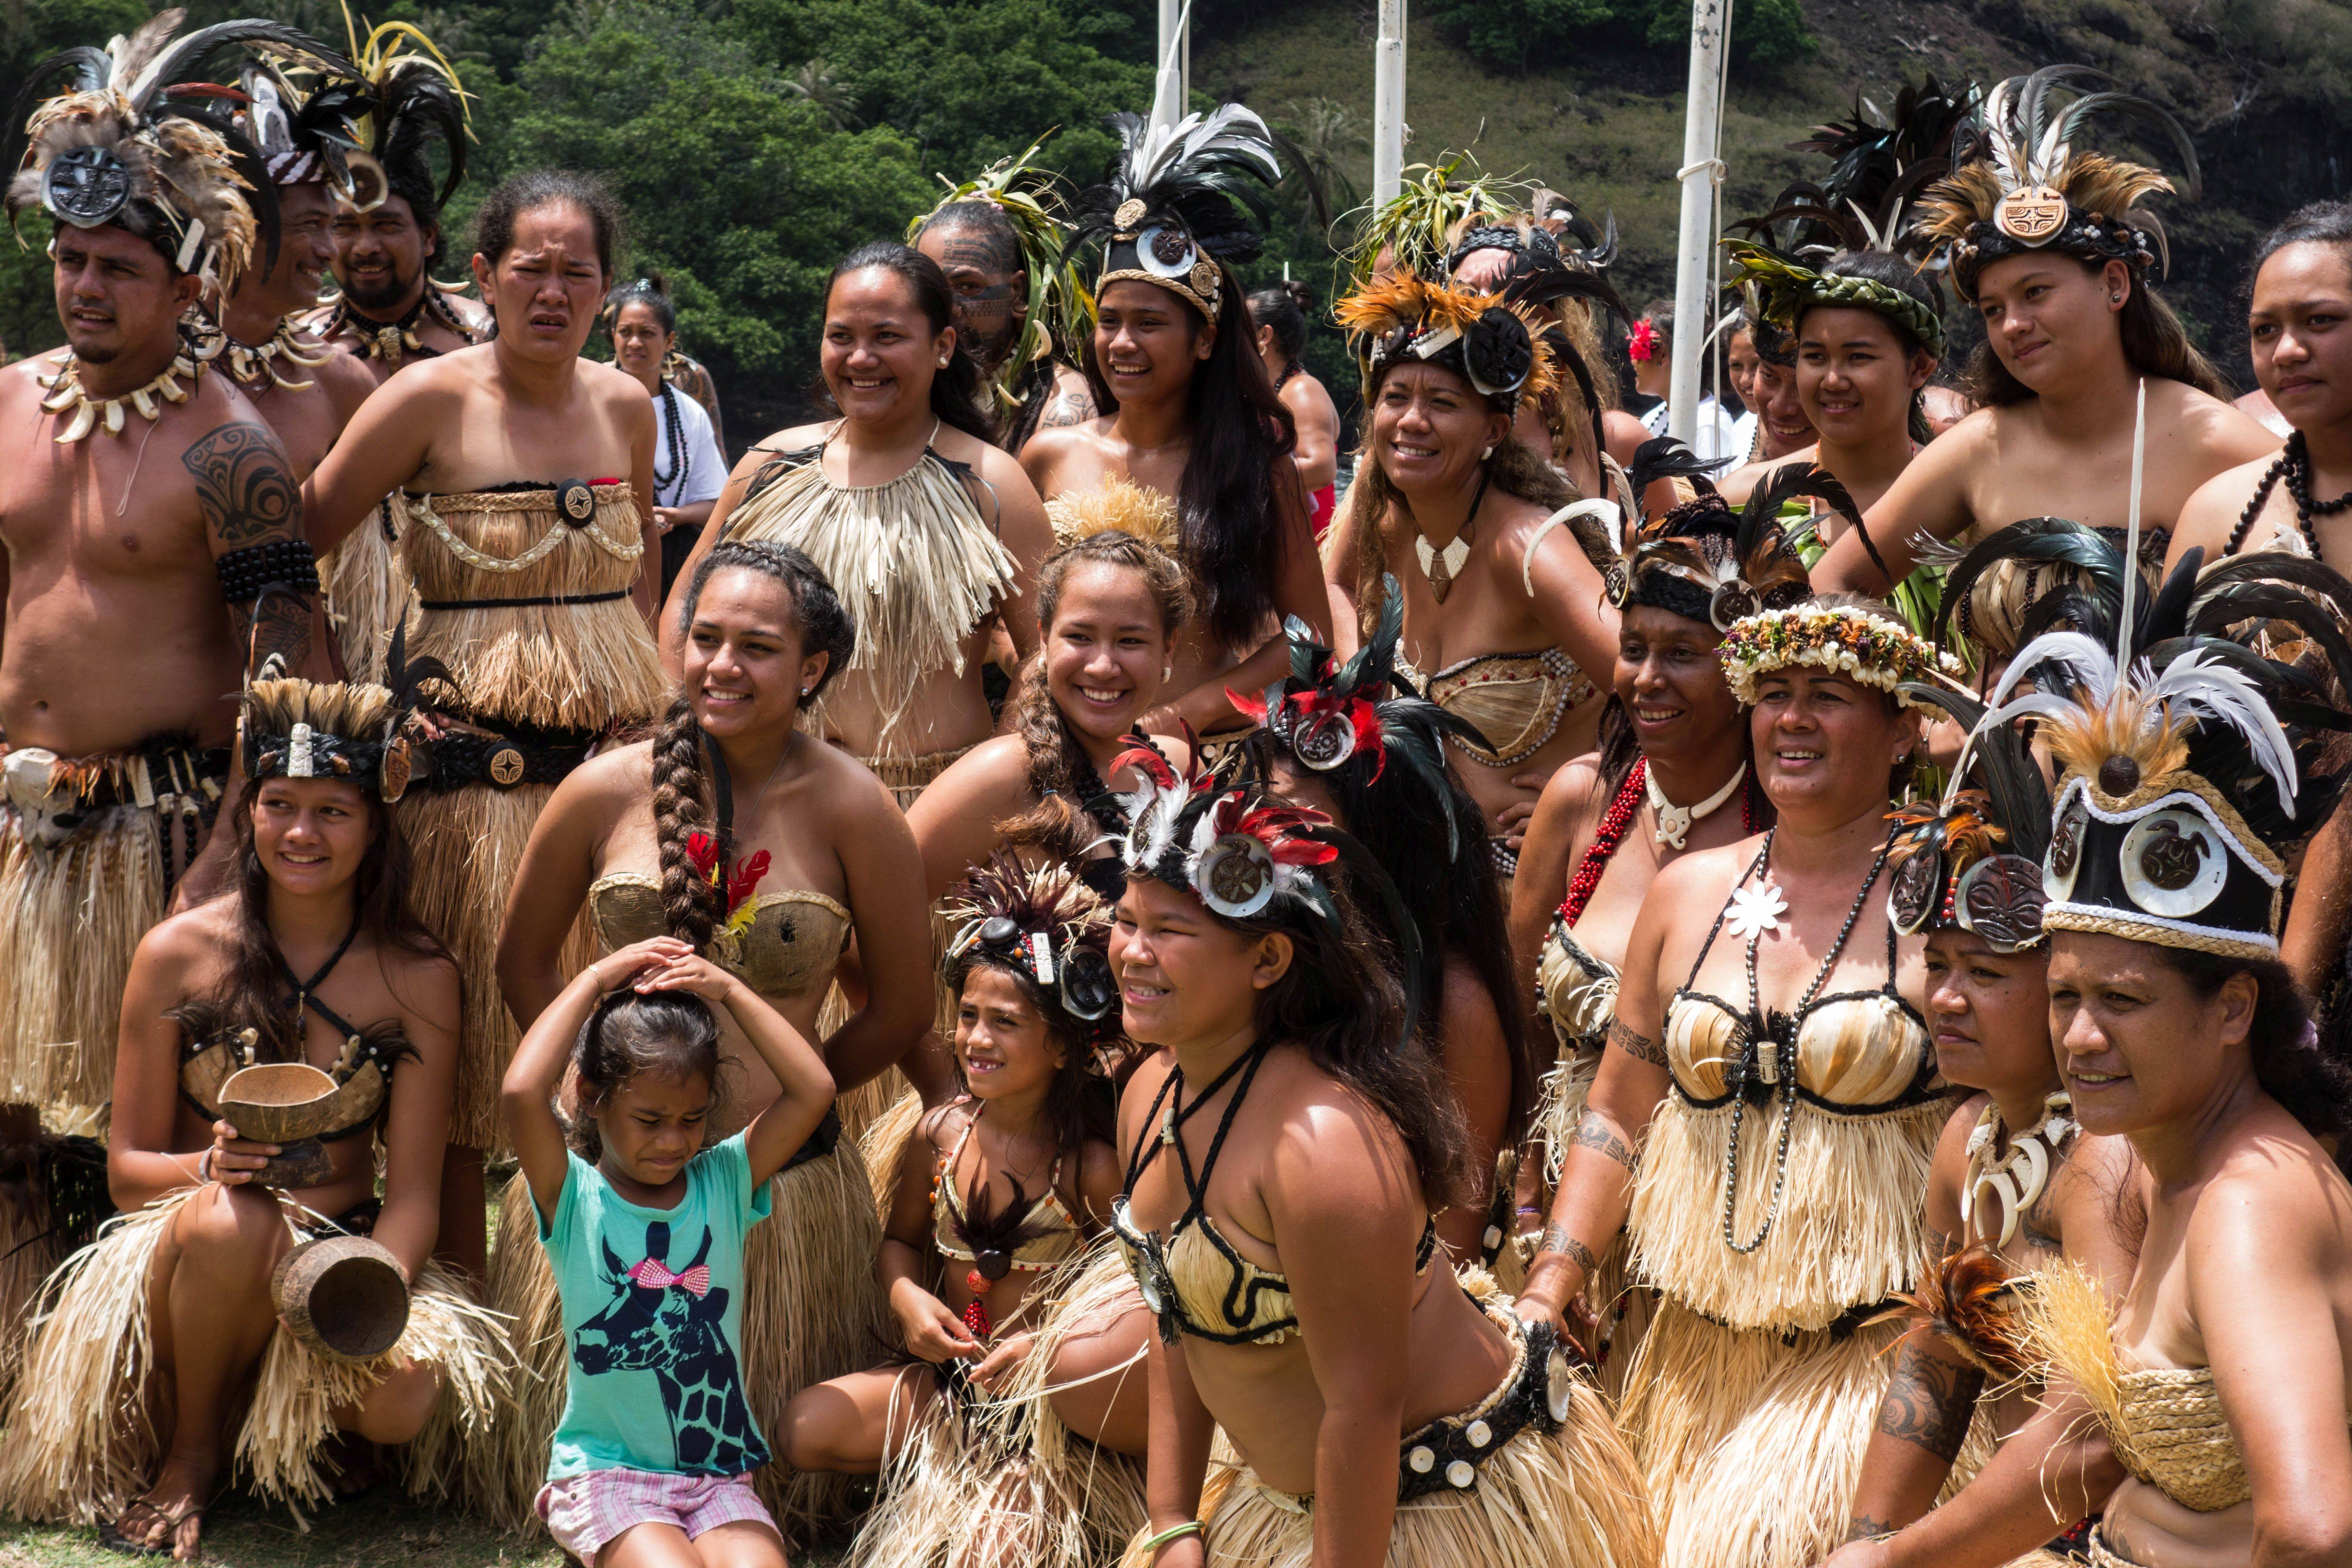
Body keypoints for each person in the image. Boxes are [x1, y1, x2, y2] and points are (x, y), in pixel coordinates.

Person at [481, 539, 933, 1539]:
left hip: (771, 1201)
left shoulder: (855, 807)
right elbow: (522, 965)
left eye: (758, 647)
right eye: (706, 637)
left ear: (812, 668)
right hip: (606, 1194)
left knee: (764, 1493)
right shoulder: (603, 790)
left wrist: (796, 1102)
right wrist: (578, 1083)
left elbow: (902, 1010)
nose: (722, 664)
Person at [1103, 759, 1660, 1568]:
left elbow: (1363, 1404)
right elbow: (1176, 1317)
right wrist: (1171, 1521)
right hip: (1287, 1502)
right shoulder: (1151, 1091)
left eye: (1172, 931)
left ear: (1267, 961)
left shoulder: (1321, 1146)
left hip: (1434, 1509)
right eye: (1126, 920)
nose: (1133, 953)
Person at [0, 674, 500, 1559]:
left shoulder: (418, 976)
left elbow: (414, 1192)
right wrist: (210, 1171)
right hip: (190, 1250)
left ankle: (294, 1424)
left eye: (333, 811)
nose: (301, 833)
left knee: (405, 1394)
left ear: (378, 821)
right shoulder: (179, 953)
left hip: (339, 1251)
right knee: (237, 1222)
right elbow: (127, 1171)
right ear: (252, 812)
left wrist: (363, 1289)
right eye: (278, 805)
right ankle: (192, 1455)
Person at [0, 17, 332, 1346]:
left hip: (160, 833)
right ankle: (21, 1386)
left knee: (134, 1137)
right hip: (16, 831)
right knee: (10, 1125)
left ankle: (130, 1392)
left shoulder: (235, 452)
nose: (85, 287)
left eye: (118, 268)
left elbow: (289, 663)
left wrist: (220, 864)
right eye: (71, 259)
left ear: (189, 285)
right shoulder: (6, 403)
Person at [1517, 595, 1966, 1568]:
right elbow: (1616, 1113)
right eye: (1770, 694)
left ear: (1899, 733)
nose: (1790, 718)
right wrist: (1549, 1283)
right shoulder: (1687, 891)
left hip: (1859, 1367)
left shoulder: (1948, 892)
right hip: (1688, 1362)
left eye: (1826, 696)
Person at [300, 170, 668, 1277]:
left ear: (604, 289)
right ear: (484, 278)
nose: (551, 291)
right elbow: (302, 538)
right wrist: (333, 700)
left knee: (618, 1054)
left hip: (612, 787)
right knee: (463, 1090)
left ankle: (590, 1319)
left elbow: (639, 575)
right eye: (530, 269)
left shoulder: (626, 405)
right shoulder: (428, 399)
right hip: (465, 793)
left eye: (576, 272)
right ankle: (460, 1327)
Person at [1988, 547, 2352, 1568]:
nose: (2078, 1036)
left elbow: (2314, 1530)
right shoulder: (2167, 1159)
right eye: (2062, 996)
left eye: (2121, 1001)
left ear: (2233, 1008)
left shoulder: (2247, 1204)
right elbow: (2096, 1454)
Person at [1818, 686, 2137, 1568]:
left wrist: (1899, 1562)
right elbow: (1937, 1358)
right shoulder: (1966, 1140)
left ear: (2064, 981)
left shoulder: (2104, 1161)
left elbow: (2090, 1435)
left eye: (1987, 974)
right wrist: (1866, 1538)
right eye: (1938, 965)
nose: (1947, 999)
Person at [783, 853, 1143, 1568]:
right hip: (952, 1394)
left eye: (1005, 1022)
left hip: (1051, 1417)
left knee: (987, 1556)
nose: (977, 1037)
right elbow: (898, 1242)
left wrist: (1052, 1351)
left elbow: (1137, 1294)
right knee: (804, 1426)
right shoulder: (940, 1133)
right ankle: (948, 1480)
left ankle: (1056, 1505)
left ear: (1065, 1047)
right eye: (969, 1016)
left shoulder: (1089, 1167)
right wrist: (909, 1299)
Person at [1812, 69, 2277, 594]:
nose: (2012, 325)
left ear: (2115, 285)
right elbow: (1836, 579)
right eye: (1992, 309)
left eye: (2036, 293)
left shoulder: (2221, 444)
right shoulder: (1977, 448)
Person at [1505, 459, 1796, 1262]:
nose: (1646, 678)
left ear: (1744, 671)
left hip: (1720, 1233)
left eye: (1683, 653)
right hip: (1563, 1212)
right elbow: (1521, 1027)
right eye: (1633, 648)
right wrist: (1527, 1192)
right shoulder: (1578, 803)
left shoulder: (1790, 834)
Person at [668, 242, 1052, 809]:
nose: (860, 358)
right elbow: (685, 607)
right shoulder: (768, 466)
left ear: (943, 346)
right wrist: (685, 728)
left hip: (933, 802)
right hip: (771, 797)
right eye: (842, 336)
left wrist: (991, 784)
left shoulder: (991, 485)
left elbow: (1046, 652)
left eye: (887, 337)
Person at [501, 927, 837, 1568]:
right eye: (649, 1122)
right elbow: (521, 1091)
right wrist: (597, 979)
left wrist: (731, 991)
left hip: (717, 1477)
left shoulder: (726, 1181)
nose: (673, 1142)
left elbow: (814, 1090)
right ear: (592, 1100)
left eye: (691, 1119)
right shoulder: (573, 1198)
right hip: (606, 1473)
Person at [1237, 578, 1533, 1270]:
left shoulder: (1455, 1004)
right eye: (1266, 819)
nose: (1277, 846)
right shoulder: (1249, 959)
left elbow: (1458, 1248)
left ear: (1383, 839)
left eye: (1304, 825)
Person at [1020, 105, 1332, 746]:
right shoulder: (1048, 455)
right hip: (1056, 754)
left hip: (1197, 764)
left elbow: (1311, 640)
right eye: (1109, 321)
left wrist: (1176, 716)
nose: (1123, 343)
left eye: (1150, 323)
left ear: (1206, 341)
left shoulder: (1253, 467)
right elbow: (1018, 626)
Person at [1331, 268, 1619, 879]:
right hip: (1412, 864)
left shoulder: (1524, 545)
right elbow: (1332, 586)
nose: (1412, 421)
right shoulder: (1384, 506)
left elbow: (1658, 682)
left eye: (1442, 403)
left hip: (1526, 882)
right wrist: (1359, 696)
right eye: (1396, 397)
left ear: (1494, 430)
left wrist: (1598, 794)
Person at [2169, 203, 2352, 1002]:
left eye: (2320, 321)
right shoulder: (2220, 510)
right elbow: (2158, 718)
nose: (2286, 351)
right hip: (2236, 897)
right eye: (2263, 330)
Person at [910, 484, 1194, 904]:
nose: (1102, 666)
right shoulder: (997, 777)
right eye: (1079, 637)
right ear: (1043, 641)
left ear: (1167, 648)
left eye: (1131, 641)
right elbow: (869, 932)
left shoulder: (1177, 763)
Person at [306, 18, 487, 680]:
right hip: (327, 633)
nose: (364, 246)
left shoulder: (486, 343)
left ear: (431, 236)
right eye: (344, 227)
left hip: (471, 622)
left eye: (385, 224)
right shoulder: (296, 352)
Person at [189, 58, 379, 481]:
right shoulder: (141, 366)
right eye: (311, 225)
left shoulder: (343, 384)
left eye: (332, 227)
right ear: (235, 224)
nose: (331, 251)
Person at [1722, 200, 1946, 521]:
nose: (1832, 380)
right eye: (1815, 356)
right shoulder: (1739, 501)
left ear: (1919, 367)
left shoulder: (1965, 503)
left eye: (1858, 357)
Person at [909, 144, 1097, 452]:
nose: (947, 308)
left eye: (968, 286)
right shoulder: (912, 387)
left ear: (1018, 293)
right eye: (931, 289)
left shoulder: (1063, 413)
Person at [606, 276, 728, 598]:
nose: (635, 343)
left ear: (669, 340)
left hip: (672, 560)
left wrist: (674, 517)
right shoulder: (589, 404)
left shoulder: (689, 414)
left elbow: (717, 502)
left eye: (647, 334)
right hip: (602, 555)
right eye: (626, 332)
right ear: (613, 336)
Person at [1248, 282, 1341, 534]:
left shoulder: (1302, 391)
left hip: (1308, 547)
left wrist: (1238, 478)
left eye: (1240, 329)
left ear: (1264, 336)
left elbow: (1322, 468)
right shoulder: (1274, 392)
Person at [1629, 302, 1743, 461]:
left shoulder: (1707, 425)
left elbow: (1709, 485)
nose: (1633, 361)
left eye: (1639, 349)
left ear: (1663, 356)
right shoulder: (1653, 417)